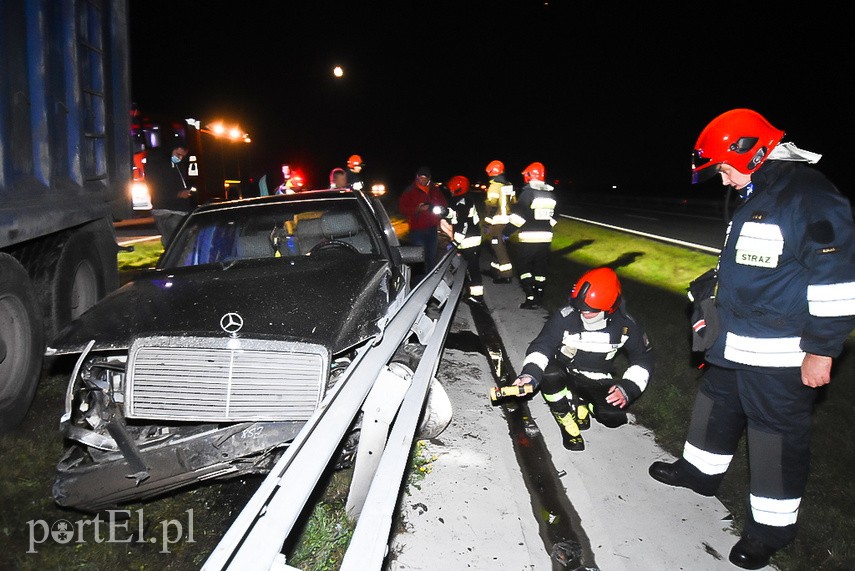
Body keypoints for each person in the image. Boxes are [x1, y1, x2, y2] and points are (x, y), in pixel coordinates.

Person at [648, 109, 855, 570]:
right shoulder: (760, 191)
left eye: (724, 167)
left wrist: (822, 349)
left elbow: (837, 280)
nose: (722, 179)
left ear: (754, 152)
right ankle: (699, 473)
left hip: (781, 351)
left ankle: (769, 533)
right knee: (715, 405)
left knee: (774, 436)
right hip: (734, 339)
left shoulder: (809, 195)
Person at [511, 267, 653, 451]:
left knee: (613, 416)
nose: (583, 313)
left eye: (590, 311)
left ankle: (581, 401)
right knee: (550, 375)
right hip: (565, 371)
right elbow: (542, 346)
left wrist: (628, 388)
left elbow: (643, 359)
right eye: (580, 307)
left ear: (610, 307)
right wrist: (529, 375)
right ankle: (565, 418)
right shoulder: (566, 317)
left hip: (597, 377)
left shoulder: (626, 326)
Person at [503, 162, 556, 309]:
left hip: (529, 238)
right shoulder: (550, 193)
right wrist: (545, 226)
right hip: (546, 238)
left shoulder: (528, 193)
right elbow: (555, 216)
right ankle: (539, 293)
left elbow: (519, 217)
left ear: (529, 175)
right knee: (541, 267)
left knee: (523, 267)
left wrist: (506, 233)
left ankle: (530, 296)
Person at [399, 166, 447, 277]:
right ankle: (418, 280)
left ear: (429, 178)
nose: (422, 180)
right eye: (420, 178)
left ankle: (431, 277)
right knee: (419, 257)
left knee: (431, 255)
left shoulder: (435, 190)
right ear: (417, 177)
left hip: (432, 229)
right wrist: (417, 209)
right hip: (417, 230)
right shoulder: (409, 190)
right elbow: (402, 208)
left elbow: (444, 204)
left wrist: (437, 208)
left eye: (424, 178)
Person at [147, 137, 195, 248]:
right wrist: (177, 194)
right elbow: (156, 188)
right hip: (169, 211)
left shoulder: (177, 164)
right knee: (179, 246)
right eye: (178, 154)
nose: (180, 158)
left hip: (175, 210)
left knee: (175, 246)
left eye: (182, 156)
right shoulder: (158, 163)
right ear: (171, 149)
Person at [445, 175, 484, 305]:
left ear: (457, 188)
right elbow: (455, 216)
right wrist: (445, 213)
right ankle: (472, 293)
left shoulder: (462, 202)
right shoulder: (461, 200)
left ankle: (477, 297)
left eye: (451, 188)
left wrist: (456, 241)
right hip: (469, 239)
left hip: (469, 240)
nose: (449, 190)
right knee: (469, 268)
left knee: (473, 269)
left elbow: (463, 224)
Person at [482, 160, 515, 284]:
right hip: (507, 220)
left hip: (497, 221)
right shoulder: (509, 184)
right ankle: (494, 269)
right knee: (498, 246)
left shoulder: (495, 185)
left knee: (498, 248)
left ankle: (506, 275)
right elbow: (513, 202)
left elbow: (492, 205)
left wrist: (487, 222)